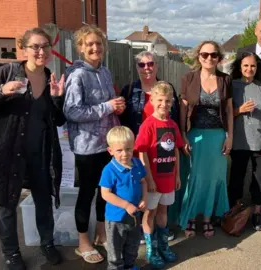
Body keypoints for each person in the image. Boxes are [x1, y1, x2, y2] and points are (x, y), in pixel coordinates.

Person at [0, 27, 65, 269]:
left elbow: (58, 120)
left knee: (44, 202)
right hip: (7, 152)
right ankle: (11, 253)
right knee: (7, 205)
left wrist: (58, 99)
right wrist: (2, 92)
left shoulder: (50, 79)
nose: (41, 51)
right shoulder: (6, 73)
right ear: (24, 49)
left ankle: (47, 243)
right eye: (35, 46)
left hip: (39, 153)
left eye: (45, 46)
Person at [63, 25, 123, 264]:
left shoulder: (105, 72)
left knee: (105, 191)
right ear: (81, 48)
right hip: (86, 145)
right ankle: (83, 242)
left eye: (98, 43)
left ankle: (100, 232)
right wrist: (108, 107)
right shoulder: (77, 75)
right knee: (87, 193)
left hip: (106, 143)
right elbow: (72, 111)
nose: (95, 48)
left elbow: (109, 105)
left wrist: (117, 107)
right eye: (89, 44)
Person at [119, 51, 181, 242]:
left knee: (155, 199)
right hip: (137, 152)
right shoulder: (129, 90)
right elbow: (121, 121)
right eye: (142, 65)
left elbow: (174, 119)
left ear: (157, 66)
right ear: (137, 67)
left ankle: (158, 236)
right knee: (138, 194)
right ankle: (140, 233)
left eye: (150, 64)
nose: (147, 68)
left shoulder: (166, 90)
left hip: (161, 153)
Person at [179, 41, 233, 238]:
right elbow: (183, 109)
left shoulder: (225, 79)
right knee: (194, 177)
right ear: (198, 56)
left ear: (219, 58)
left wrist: (230, 137)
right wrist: (183, 135)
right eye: (205, 54)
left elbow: (228, 110)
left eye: (213, 54)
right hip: (195, 136)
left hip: (218, 136)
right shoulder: (189, 78)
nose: (209, 58)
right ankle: (192, 217)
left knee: (214, 178)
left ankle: (208, 218)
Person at [134, 82, 183, 268]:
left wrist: (177, 174)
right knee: (150, 212)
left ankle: (163, 246)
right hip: (153, 180)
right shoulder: (148, 125)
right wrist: (149, 178)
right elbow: (142, 152)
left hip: (168, 177)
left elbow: (176, 150)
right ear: (153, 100)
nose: (164, 104)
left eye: (168, 100)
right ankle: (151, 250)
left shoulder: (172, 124)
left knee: (164, 211)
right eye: (160, 100)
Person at [228, 52, 261, 231]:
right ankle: (236, 210)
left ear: (257, 68)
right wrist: (239, 110)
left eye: (253, 66)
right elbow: (225, 114)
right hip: (239, 142)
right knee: (237, 178)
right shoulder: (232, 86)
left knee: (259, 179)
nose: (249, 69)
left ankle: (256, 212)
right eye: (246, 66)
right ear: (240, 67)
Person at [99, 126, 147, 270]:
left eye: (128, 149)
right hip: (116, 219)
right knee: (115, 252)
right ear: (110, 151)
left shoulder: (137, 164)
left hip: (134, 216)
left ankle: (129, 266)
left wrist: (144, 198)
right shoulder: (109, 170)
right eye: (119, 150)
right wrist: (126, 205)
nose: (125, 154)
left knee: (133, 246)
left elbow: (143, 181)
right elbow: (105, 194)